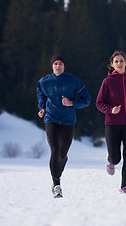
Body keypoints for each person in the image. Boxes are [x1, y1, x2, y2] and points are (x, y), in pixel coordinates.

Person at [37, 54, 91, 198]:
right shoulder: (44, 82)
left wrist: (72, 103)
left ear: (64, 66)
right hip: (51, 119)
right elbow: (41, 94)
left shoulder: (73, 81)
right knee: (55, 150)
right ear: (52, 66)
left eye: (60, 63)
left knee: (62, 154)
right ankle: (57, 185)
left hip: (68, 121)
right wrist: (42, 107)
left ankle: (56, 177)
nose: (58, 66)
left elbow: (87, 99)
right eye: (55, 64)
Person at [96, 51, 126, 194]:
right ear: (112, 64)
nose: (119, 63)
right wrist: (111, 110)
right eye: (116, 61)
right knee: (116, 158)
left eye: (121, 61)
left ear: (125, 62)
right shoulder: (107, 82)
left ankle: (124, 187)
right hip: (112, 124)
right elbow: (99, 103)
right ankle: (110, 160)